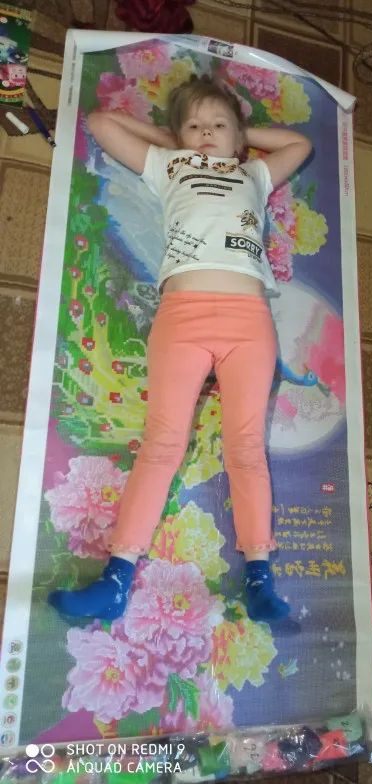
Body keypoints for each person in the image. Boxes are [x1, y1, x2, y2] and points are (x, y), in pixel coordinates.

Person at [48, 73, 312, 623]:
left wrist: (239, 138)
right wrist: (175, 142)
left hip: (248, 322)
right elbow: (101, 123)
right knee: (161, 445)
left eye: (218, 124)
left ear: (238, 137)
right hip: (182, 317)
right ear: (178, 136)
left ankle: (259, 577)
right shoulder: (169, 166)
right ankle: (116, 580)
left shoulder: (253, 172)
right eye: (194, 125)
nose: (205, 133)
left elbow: (299, 144)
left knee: (245, 448)